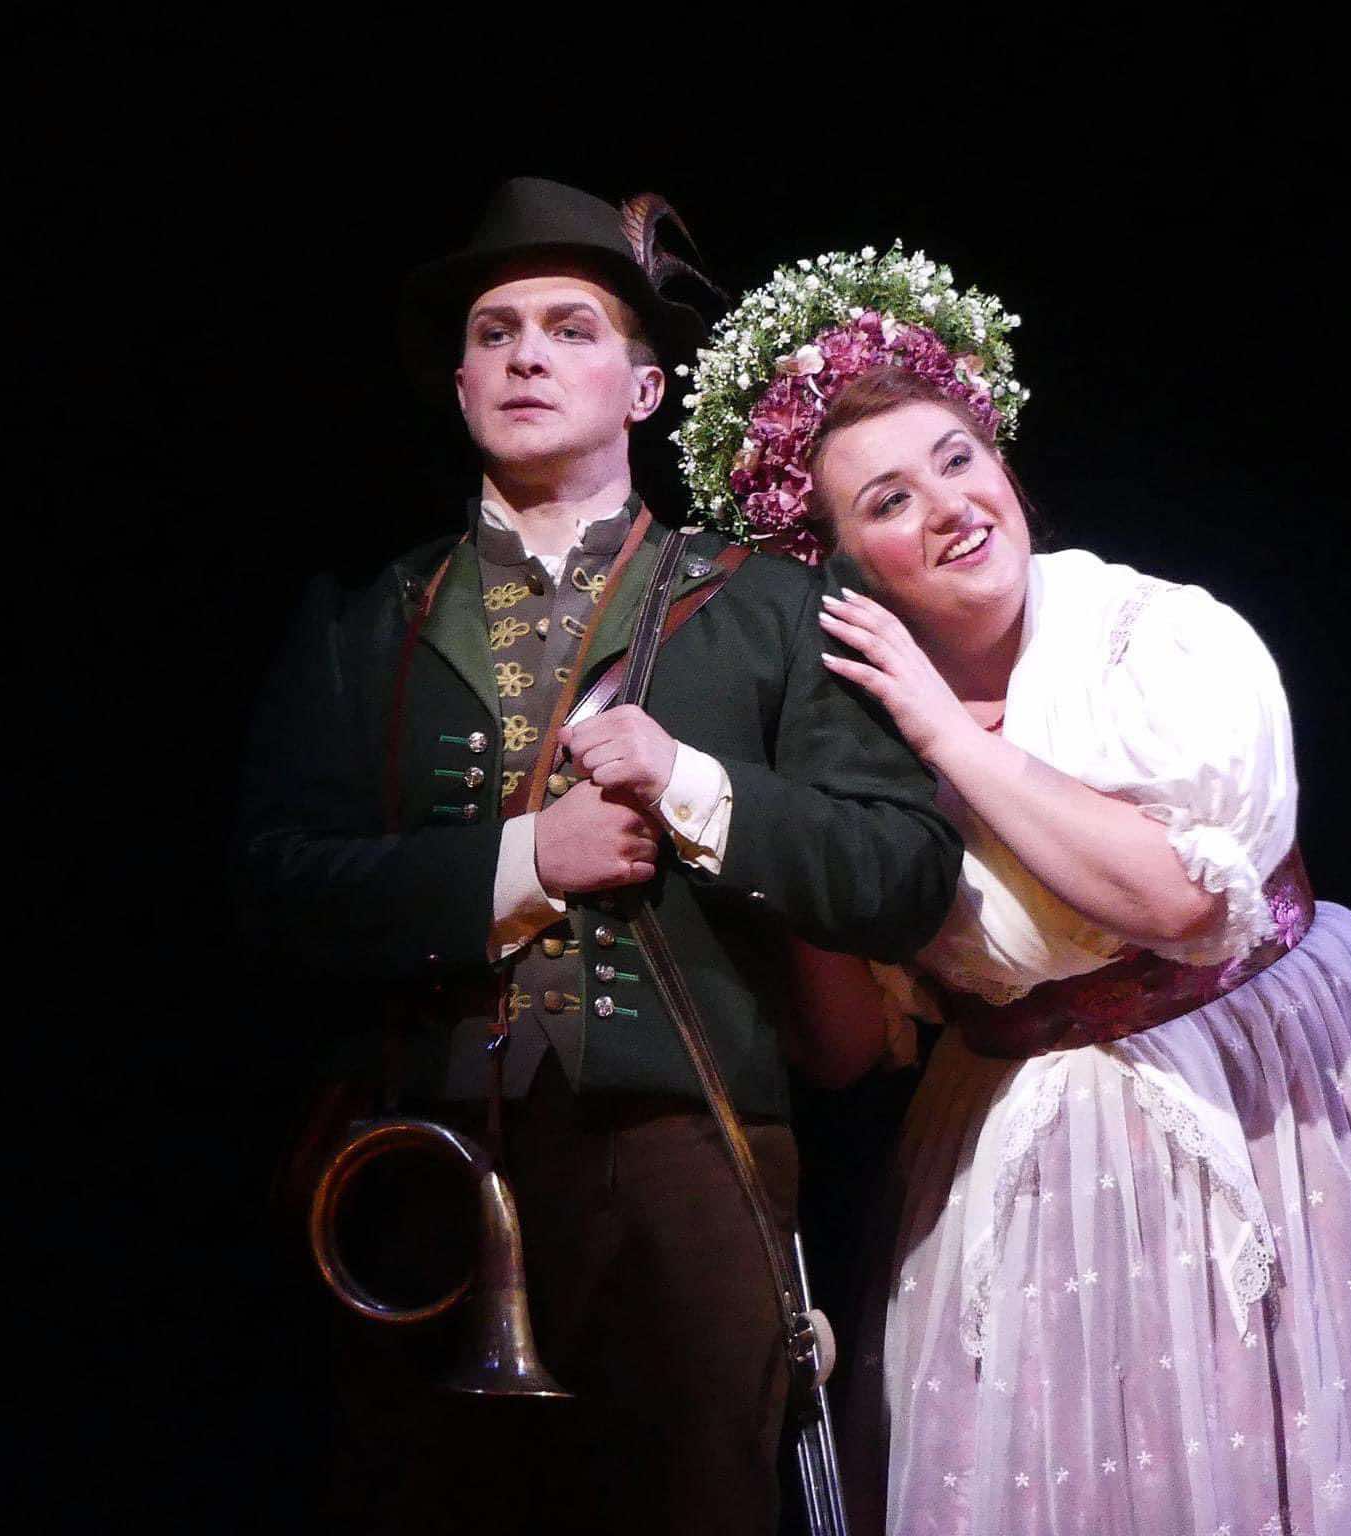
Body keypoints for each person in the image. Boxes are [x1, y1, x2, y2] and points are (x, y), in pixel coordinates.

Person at [676, 246, 1351, 1534]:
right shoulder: (859, 744)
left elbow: (1178, 905)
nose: (948, 506)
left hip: (1272, 1087)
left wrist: (949, 737)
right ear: (839, 566)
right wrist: (770, 823)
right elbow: (843, 1049)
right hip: (1039, 1155)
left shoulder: (1151, 635)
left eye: (957, 458)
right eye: (888, 500)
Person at [235, 182, 961, 1535]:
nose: (526, 355)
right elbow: (272, 895)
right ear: (461, 383)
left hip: (689, 1172)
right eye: (495, 331)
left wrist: (691, 785)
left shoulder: (772, 606)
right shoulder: (362, 622)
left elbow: (902, 872)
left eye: (569, 329)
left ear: (641, 388)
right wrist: (527, 861)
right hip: (419, 1171)